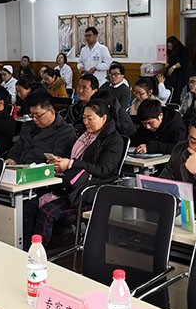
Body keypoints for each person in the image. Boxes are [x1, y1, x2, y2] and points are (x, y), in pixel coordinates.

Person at [28, 98, 124, 246]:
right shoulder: (85, 136)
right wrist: (62, 162)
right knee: (31, 204)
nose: (85, 122)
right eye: (84, 118)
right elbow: (75, 159)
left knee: (47, 212)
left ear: (104, 118)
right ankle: (30, 247)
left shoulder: (114, 140)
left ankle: (37, 252)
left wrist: (72, 163)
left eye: (90, 118)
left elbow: (104, 170)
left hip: (90, 192)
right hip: (72, 185)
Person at [5, 92, 77, 165]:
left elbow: (57, 159)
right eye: (32, 115)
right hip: (19, 166)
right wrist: (12, 159)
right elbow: (18, 147)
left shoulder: (65, 131)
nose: (34, 119)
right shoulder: (27, 126)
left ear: (51, 112)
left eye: (38, 115)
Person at [165, 35, 190, 104]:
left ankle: (175, 104)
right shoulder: (171, 51)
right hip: (173, 75)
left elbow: (183, 61)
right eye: (168, 46)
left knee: (177, 91)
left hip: (181, 73)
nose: (169, 48)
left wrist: (173, 67)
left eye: (170, 46)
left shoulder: (183, 50)